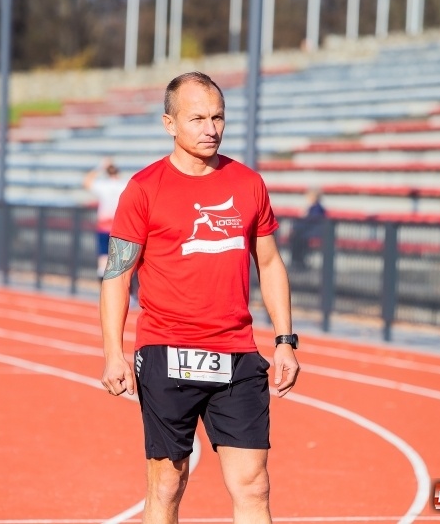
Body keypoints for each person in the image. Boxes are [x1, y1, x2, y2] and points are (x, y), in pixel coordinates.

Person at [99, 71, 300, 523]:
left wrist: (285, 340)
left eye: (218, 117)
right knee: (168, 483)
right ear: (169, 124)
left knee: (254, 484)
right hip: (166, 351)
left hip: (237, 355)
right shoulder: (144, 189)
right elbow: (117, 275)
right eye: (197, 119)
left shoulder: (248, 184)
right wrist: (113, 353)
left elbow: (269, 264)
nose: (210, 128)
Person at [83, 157, 128, 280]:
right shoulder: (123, 185)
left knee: (103, 253)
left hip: (104, 225)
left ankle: (102, 277)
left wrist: (100, 167)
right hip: (118, 225)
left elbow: (87, 182)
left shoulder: (103, 185)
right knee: (119, 254)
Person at [289, 188, 327, 269]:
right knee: (295, 237)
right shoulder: (310, 208)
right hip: (306, 230)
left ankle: (299, 262)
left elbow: (310, 221)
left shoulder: (318, 208)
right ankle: (297, 261)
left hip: (313, 231)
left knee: (299, 238)